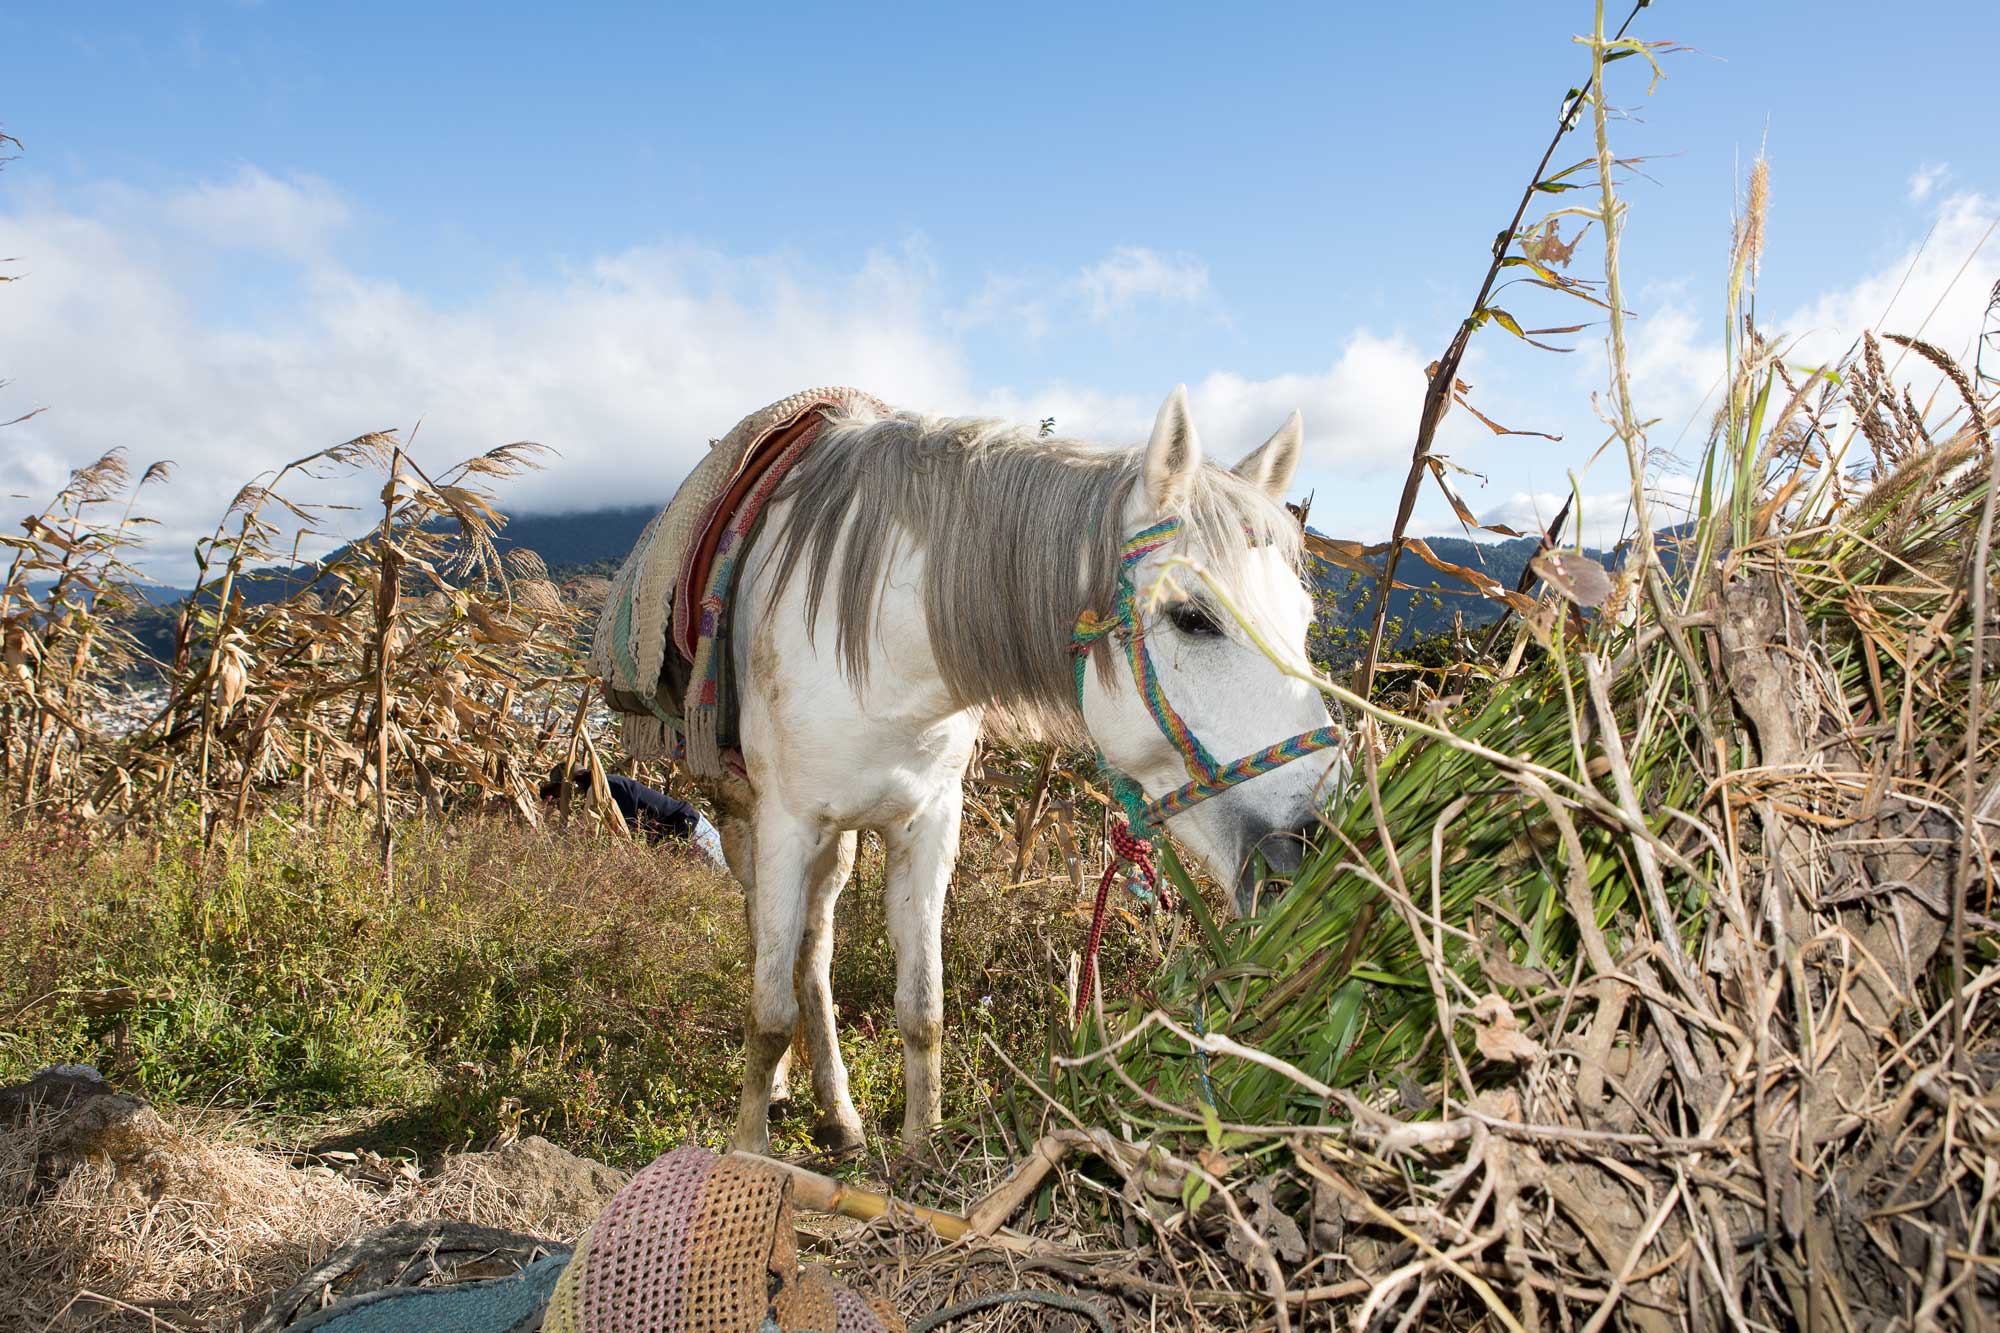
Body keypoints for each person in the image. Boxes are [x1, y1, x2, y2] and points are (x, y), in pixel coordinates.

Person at [539, 767, 727, 867]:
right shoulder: (598, 792)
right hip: (678, 835)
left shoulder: (608, 787)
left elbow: (625, 828)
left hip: (688, 829)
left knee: (728, 878)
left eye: (561, 792)